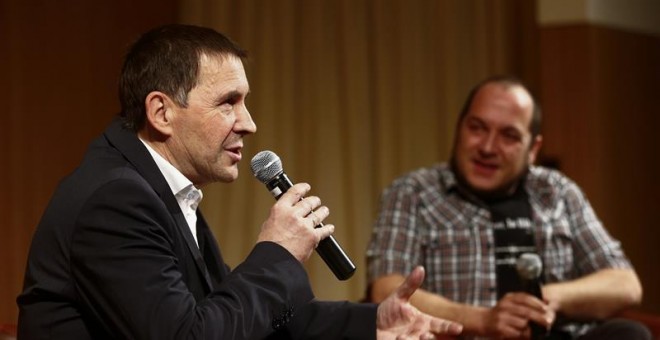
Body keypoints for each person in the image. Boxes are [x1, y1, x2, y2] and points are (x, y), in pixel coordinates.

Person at [16, 24, 463, 339]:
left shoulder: (160, 189)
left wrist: (372, 324)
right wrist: (277, 253)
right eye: (228, 103)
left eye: (244, 103)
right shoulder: (115, 199)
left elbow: (239, 316)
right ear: (162, 112)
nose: (248, 124)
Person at [366, 75, 650, 339]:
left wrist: (543, 298)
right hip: (465, 337)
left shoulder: (557, 192)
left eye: (509, 136)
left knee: (629, 333)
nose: (488, 147)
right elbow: (386, 290)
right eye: (477, 128)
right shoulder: (413, 192)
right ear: (459, 128)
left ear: (533, 149)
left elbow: (625, 284)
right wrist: (484, 319)